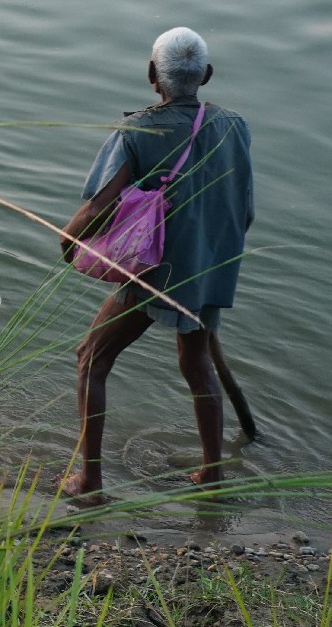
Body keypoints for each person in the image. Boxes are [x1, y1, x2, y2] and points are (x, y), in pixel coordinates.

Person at [57, 27, 254, 503]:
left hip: (154, 271)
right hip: (213, 266)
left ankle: (90, 481)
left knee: (91, 358)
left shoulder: (137, 130)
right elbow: (244, 209)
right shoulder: (234, 125)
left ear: (152, 76)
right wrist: (208, 265)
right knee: (197, 363)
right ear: (206, 75)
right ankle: (212, 475)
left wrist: (68, 241)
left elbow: (102, 205)